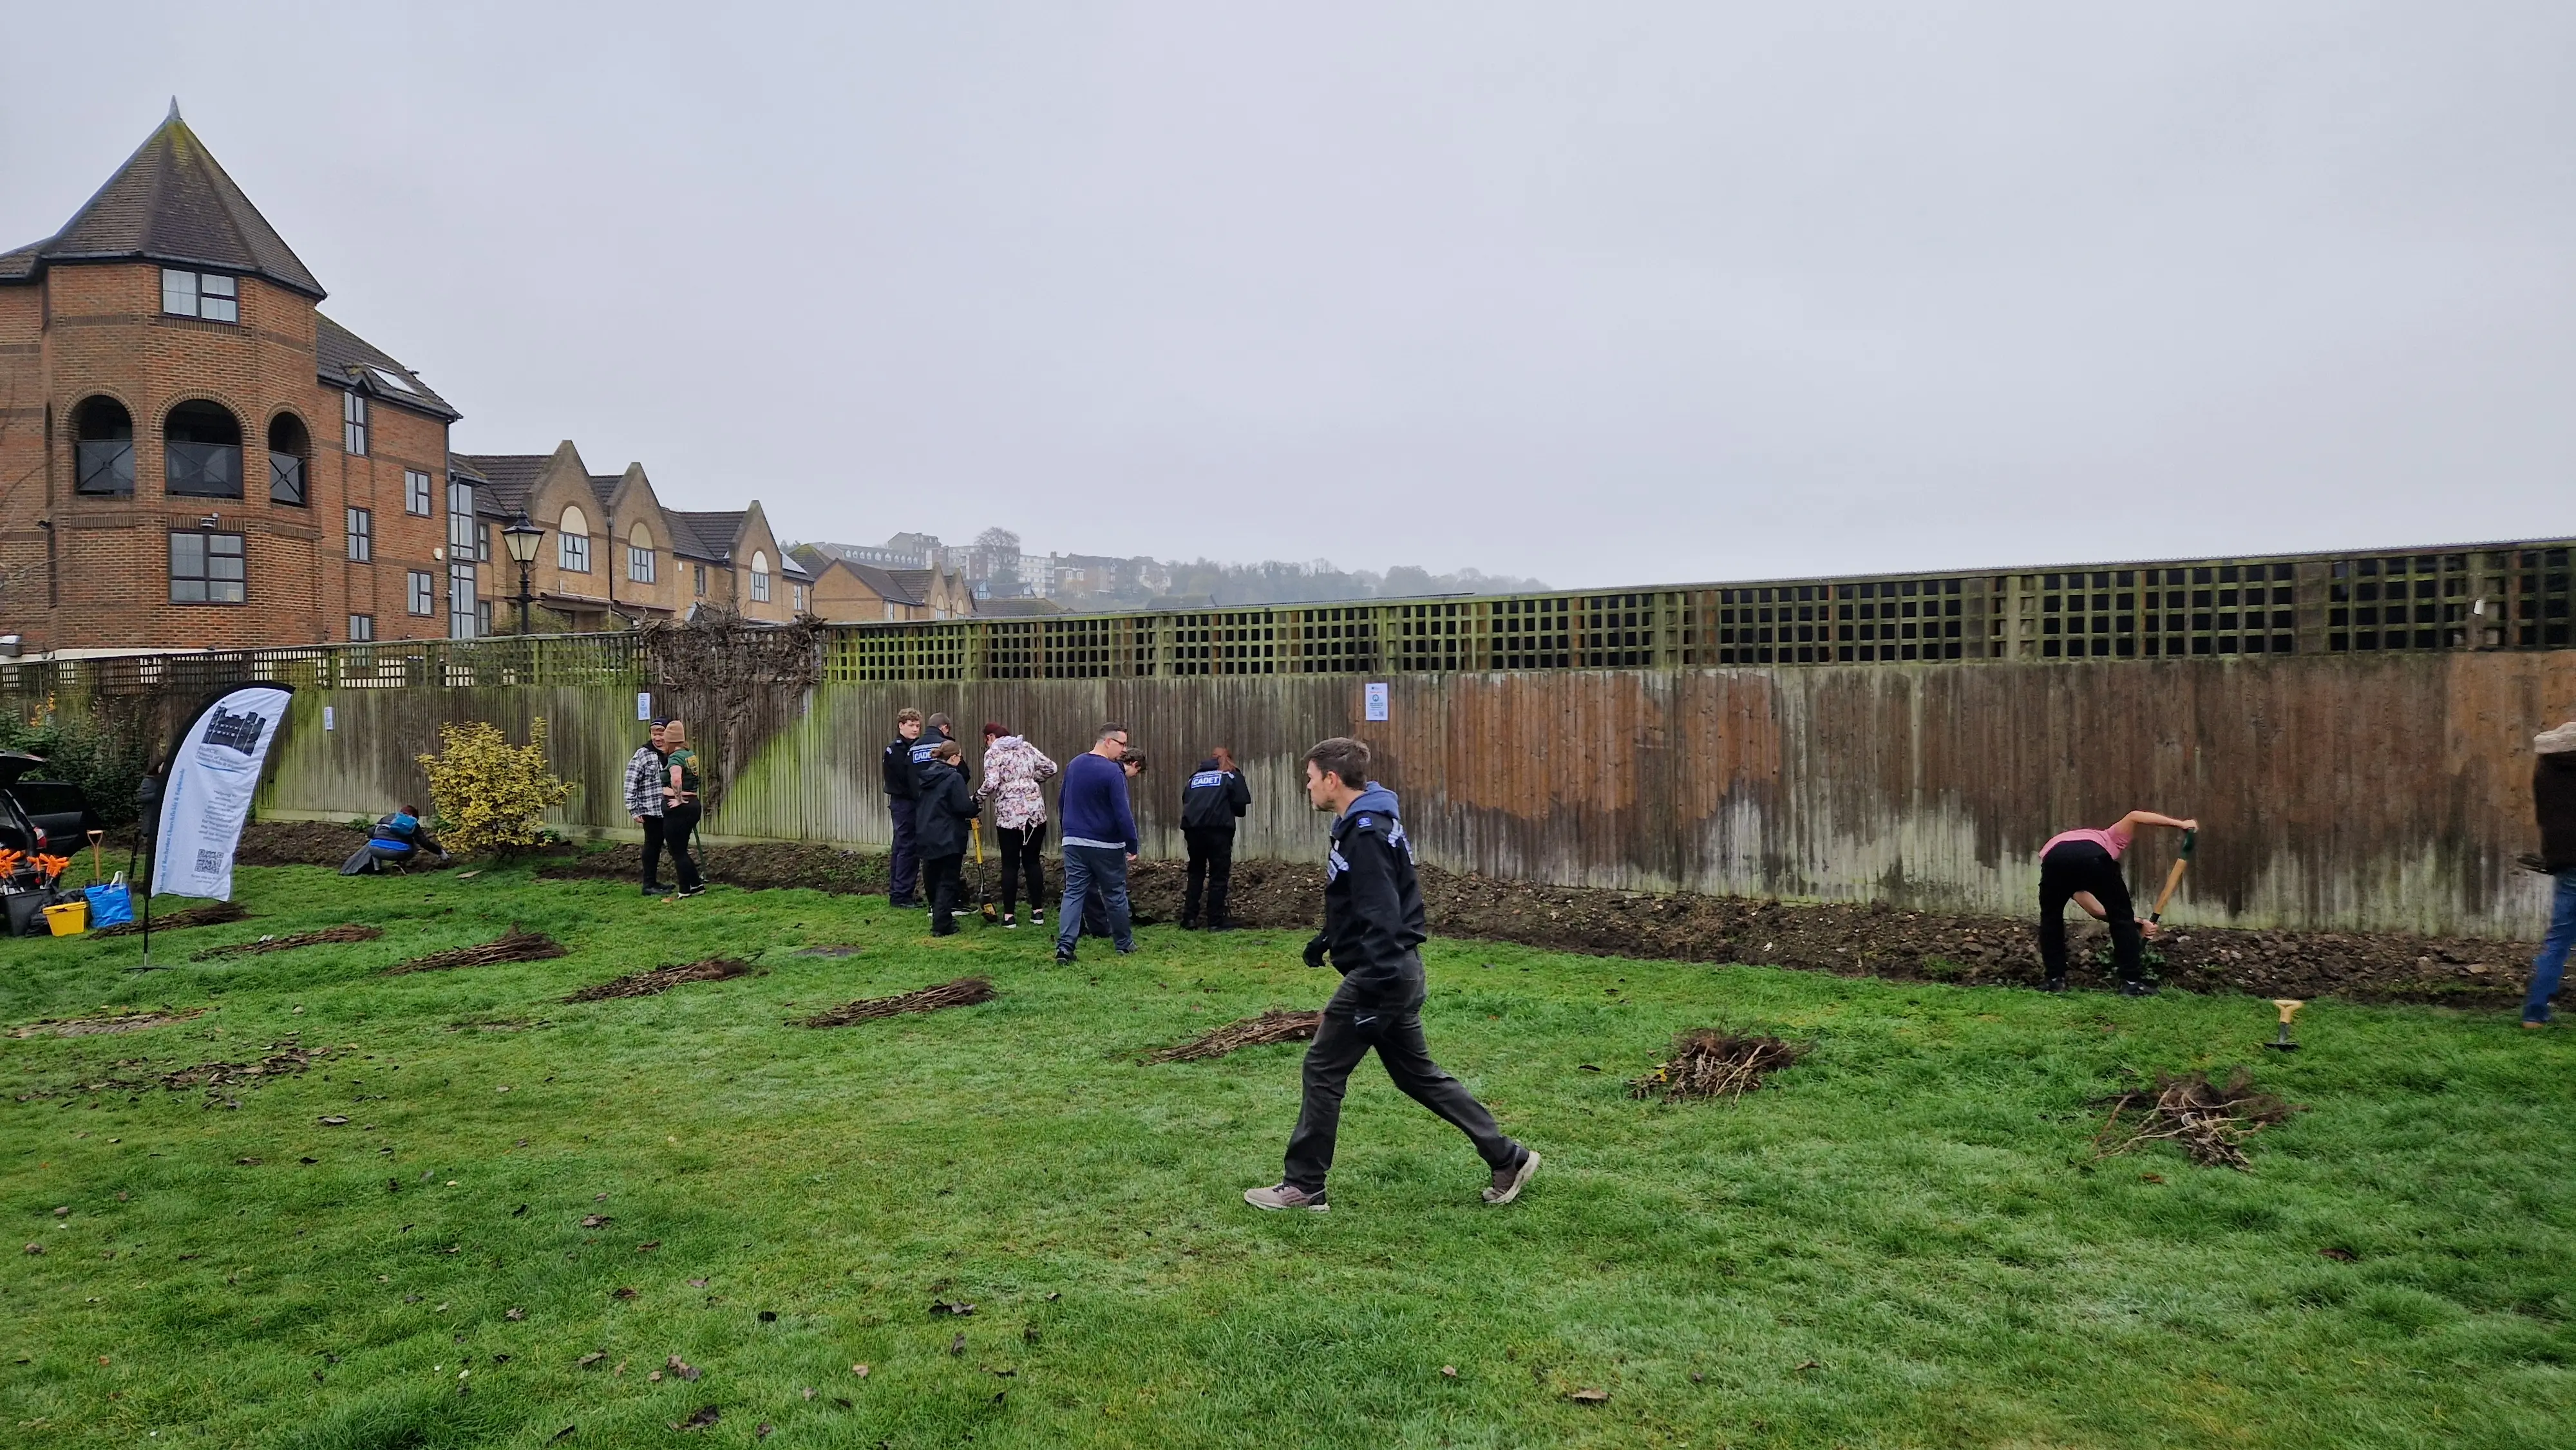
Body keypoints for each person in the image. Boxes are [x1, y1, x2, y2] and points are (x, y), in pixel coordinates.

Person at [1246, 738, 1535, 1214]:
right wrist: (1329, 936)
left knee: (1322, 1069)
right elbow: (1363, 896)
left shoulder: (1367, 831)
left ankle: (1303, 1185)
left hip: (1382, 973)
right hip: (1394, 971)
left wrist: (1370, 988)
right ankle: (1508, 1157)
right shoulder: (1362, 822)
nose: (1309, 786)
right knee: (1417, 1076)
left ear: (1333, 780)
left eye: (1311, 778)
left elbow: (1383, 911)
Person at [2036, 809, 2196, 995]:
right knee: (2121, 916)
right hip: (2092, 857)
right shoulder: (2111, 836)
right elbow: (2135, 815)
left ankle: (2054, 981)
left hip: (2054, 859)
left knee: (2051, 918)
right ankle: (2131, 983)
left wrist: (2139, 923)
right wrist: (2182, 824)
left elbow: (2095, 910)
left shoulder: (2066, 848)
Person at [1055, 722, 1137, 965]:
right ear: (1108, 742)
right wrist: (1132, 843)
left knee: (1073, 892)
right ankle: (1124, 944)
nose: (1124, 750)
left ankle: (1065, 947)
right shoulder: (1113, 772)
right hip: (1106, 844)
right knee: (1114, 894)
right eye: (1122, 744)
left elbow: (1062, 802)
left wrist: (1067, 830)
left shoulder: (1074, 764)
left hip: (1073, 841)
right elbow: (1123, 813)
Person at [2521, 717, 2576, 1028]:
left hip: (2565, 863)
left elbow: (2548, 817)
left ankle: (2534, 1016)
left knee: (2557, 941)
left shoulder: (2546, 771)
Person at [976, 722, 1057, 928]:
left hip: (1009, 818)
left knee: (1010, 864)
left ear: (990, 737)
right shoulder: (1026, 747)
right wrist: (1030, 780)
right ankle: (1037, 913)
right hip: (1035, 815)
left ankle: (1009, 917)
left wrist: (977, 798)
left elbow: (992, 783)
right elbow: (1051, 768)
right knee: (1032, 861)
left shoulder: (993, 753)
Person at [1181, 746, 1251, 930]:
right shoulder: (1230, 775)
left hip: (1193, 830)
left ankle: (1189, 919)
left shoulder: (1194, 777)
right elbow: (1240, 805)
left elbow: (1186, 800)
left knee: (1196, 873)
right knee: (1218, 875)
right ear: (1229, 758)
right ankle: (1215, 922)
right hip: (1219, 831)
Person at [916, 739, 976, 936]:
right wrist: (975, 807)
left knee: (932, 876)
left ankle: (937, 912)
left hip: (927, 832)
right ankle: (942, 924)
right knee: (948, 879)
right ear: (954, 757)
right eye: (960, 756)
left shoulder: (927, 776)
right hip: (949, 835)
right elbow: (962, 807)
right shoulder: (954, 777)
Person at [882, 708, 925, 907]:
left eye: (917, 726)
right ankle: (901, 896)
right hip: (904, 803)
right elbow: (905, 779)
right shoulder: (896, 749)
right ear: (901, 726)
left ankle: (900, 892)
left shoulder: (916, 746)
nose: (915, 729)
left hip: (910, 802)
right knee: (907, 848)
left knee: (901, 847)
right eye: (911, 725)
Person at [625, 719, 670, 895]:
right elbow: (630, 782)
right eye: (654, 734)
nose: (658, 738)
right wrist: (633, 808)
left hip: (669, 809)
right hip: (650, 810)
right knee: (652, 846)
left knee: (670, 845)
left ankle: (678, 882)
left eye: (661, 733)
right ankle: (649, 885)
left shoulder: (672, 753)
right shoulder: (643, 754)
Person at [662, 719, 706, 898]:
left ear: (670, 741)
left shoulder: (675, 758)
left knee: (676, 851)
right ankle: (695, 885)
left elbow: (677, 779)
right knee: (680, 849)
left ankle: (684, 891)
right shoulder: (689, 754)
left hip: (680, 808)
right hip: (693, 805)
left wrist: (678, 799)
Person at [338, 805, 447, 875]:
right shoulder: (413, 823)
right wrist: (440, 852)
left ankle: (378, 869)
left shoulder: (387, 818)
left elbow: (370, 832)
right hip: (399, 852)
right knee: (414, 844)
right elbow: (424, 843)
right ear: (413, 816)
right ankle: (400, 864)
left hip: (375, 850)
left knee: (374, 841)